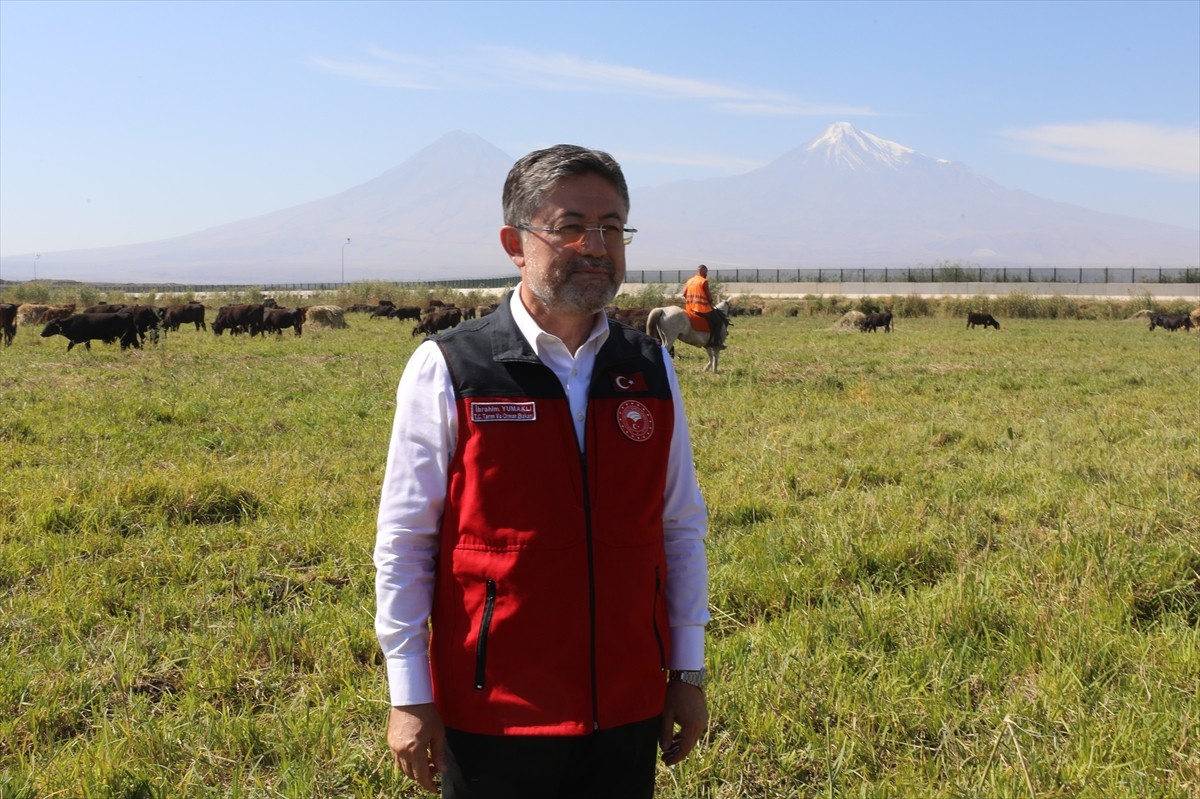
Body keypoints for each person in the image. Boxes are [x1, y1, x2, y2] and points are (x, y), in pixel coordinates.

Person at [375, 144, 710, 798]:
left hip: (627, 706)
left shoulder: (648, 367)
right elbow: (406, 542)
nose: (596, 244)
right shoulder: (452, 368)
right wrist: (409, 694)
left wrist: (687, 673)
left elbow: (679, 526)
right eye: (570, 226)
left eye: (613, 227)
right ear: (514, 242)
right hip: (495, 713)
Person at [682, 264, 728, 349]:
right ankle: (716, 342)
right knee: (719, 322)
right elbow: (708, 296)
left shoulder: (690, 281)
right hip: (702, 308)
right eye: (706, 272)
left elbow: (684, 293)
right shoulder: (703, 281)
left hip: (690, 308)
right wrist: (710, 301)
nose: (706, 274)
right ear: (702, 271)